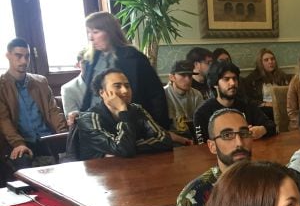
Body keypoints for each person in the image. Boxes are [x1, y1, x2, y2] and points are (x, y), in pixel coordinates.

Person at [80, 12, 169, 129]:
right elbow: (89, 96)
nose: (90, 38)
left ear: (110, 32)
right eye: (88, 32)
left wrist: (159, 127)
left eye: (95, 32)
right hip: (96, 123)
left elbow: (156, 95)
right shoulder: (89, 61)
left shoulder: (134, 58)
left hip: (128, 122)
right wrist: (80, 116)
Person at [76, 68, 173, 160]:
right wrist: (123, 110)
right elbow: (125, 150)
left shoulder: (136, 109)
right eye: (117, 86)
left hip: (134, 168)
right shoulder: (89, 118)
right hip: (100, 173)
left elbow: (165, 140)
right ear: (102, 92)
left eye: (127, 86)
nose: (125, 91)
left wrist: (129, 147)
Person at [0, 37, 67, 170]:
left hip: (48, 138)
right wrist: (18, 143)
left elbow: (53, 110)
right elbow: (4, 120)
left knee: (76, 149)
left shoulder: (40, 82)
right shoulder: (2, 87)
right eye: (18, 56)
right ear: (8, 56)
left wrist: (64, 134)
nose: (24, 61)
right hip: (23, 142)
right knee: (22, 160)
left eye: (27, 56)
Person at [193, 61, 275, 144]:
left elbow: (272, 126)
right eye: (226, 79)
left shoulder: (247, 105)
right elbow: (201, 145)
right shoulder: (202, 113)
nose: (232, 83)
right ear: (215, 84)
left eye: (234, 78)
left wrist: (262, 130)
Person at [241, 48, 291, 120]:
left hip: (282, 107)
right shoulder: (252, 79)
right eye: (266, 60)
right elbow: (248, 99)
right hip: (265, 109)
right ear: (260, 63)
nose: (270, 62)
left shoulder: (282, 75)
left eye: (272, 59)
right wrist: (265, 104)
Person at [164, 60, 202, 143]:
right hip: (171, 140)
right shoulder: (163, 95)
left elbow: (200, 123)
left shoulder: (196, 95)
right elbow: (160, 129)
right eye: (183, 75)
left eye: (190, 76)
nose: (188, 79)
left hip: (192, 138)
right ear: (172, 77)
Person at [61, 48, 88, 126]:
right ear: (78, 65)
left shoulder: (106, 82)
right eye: (85, 62)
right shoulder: (68, 89)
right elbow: (73, 120)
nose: (89, 66)